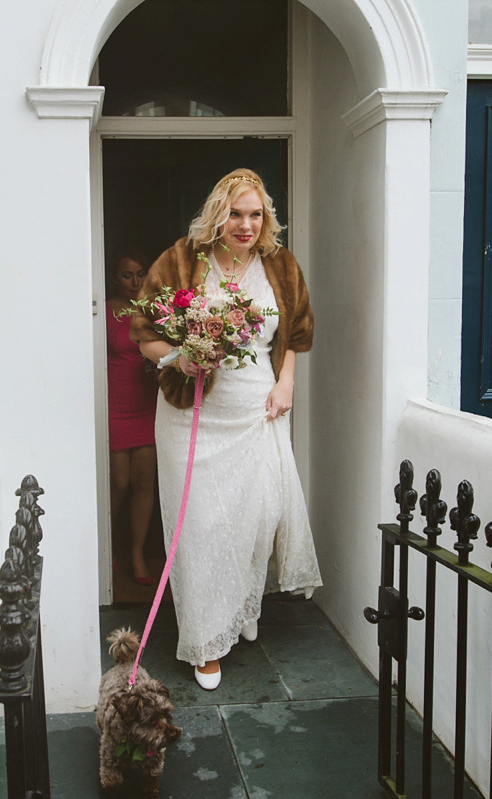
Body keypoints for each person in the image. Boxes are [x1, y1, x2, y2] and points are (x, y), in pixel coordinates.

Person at [131, 168, 322, 690]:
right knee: (201, 525)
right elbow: (144, 333)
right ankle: (206, 640)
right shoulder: (181, 260)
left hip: (258, 408)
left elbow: (298, 333)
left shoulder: (280, 265)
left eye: (255, 214)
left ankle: (242, 607)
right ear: (218, 214)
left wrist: (286, 385)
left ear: (266, 218)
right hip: (192, 411)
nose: (245, 224)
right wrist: (179, 356)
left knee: (258, 515)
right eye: (236, 214)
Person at [106, 247, 159, 586]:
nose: (135, 281)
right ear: (116, 277)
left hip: (146, 403)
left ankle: (137, 553)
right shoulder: (105, 311)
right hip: (113, 405)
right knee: (118, 483)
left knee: (143, 482)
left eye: (140, 274)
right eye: (128, 274)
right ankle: (108, 548)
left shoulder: (154, 311)